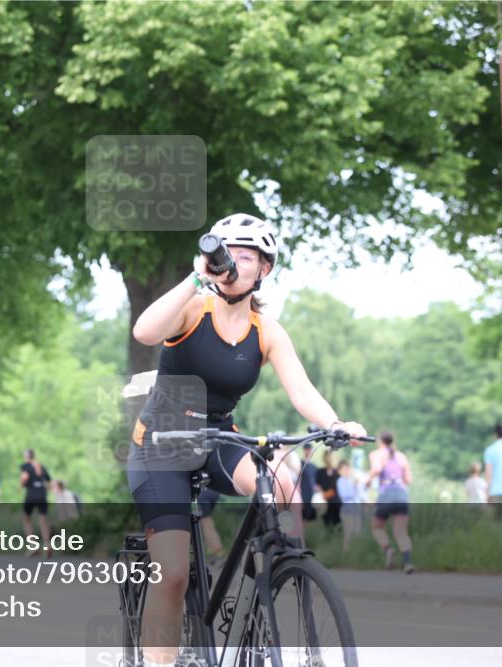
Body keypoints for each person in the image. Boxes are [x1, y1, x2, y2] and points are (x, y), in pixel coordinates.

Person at [128, 213, 367, 667]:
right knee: (174, 574)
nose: (233, 264)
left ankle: (267, 579)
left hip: (217, 435)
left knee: (274, 480)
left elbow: (302, 392)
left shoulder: (267, 332)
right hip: (160, 441)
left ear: (265, 269)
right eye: (227, 254)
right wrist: (195, 277)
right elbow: (144, 331)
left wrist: (338, 423)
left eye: (245, 256)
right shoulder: (191, 309)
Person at [366, 431, 414, 573]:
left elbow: (376, 469)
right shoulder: (401, 456)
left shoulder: (377, 454)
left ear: (380, 441)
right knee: (401, 532)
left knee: (377, 527)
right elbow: (408, 480)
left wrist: (367, 481)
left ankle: (388, 549)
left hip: (386, 494)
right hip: (401, 494)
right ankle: (407, 562)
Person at [20, 449, 52, 557]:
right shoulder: (41, 466)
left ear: (27, 456)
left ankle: (33, 545)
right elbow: (49, 483)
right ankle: (47, 545)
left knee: (26, 519)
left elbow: (24, 478)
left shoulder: (26, 466)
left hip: (31, 495)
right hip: (42, 494)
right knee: (43, 520)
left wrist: (22, 484)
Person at [335, 460, 363, 550]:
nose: (347, 470)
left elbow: (359, 494)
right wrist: (354, 486)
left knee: (357, 532)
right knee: (348, 533)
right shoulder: (340, 481)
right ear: (339, 471)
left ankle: (356, 551)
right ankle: (346, 552)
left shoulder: (352, 479)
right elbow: (344, 495)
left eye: (347, 468)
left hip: (356, 508)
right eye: (344, 469)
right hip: (347, 509)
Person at [316, 450, 342, 528]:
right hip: (325, 500)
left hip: (335, 501)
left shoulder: (337, 472)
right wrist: (322, 495)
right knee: (326, 522)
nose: (329, 459)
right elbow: (317, 485)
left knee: (337, 522)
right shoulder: (320, 472)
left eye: (331, 457)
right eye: (328, 457)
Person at [300, 443, 319, 523]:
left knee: (312, 516)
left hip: (312, 494)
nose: (308, 451)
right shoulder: (300, 464)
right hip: (303, 493)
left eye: (310, 450)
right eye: (307, 449)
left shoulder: (314, 466)